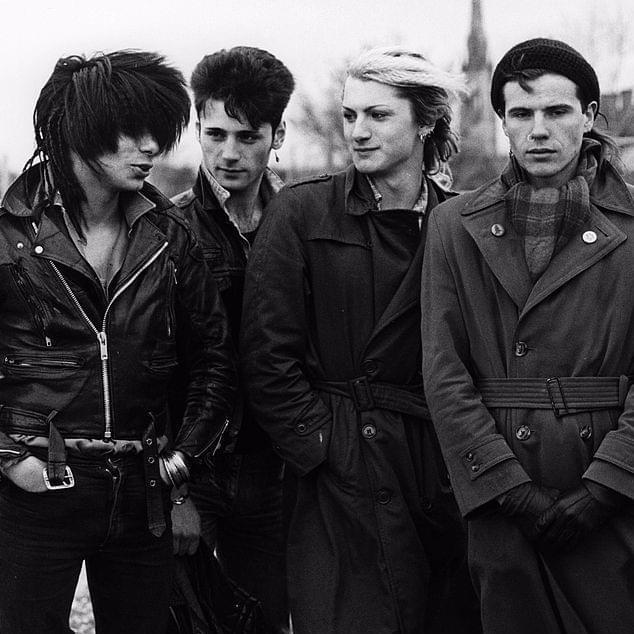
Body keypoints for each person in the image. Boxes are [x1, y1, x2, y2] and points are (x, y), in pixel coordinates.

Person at [241, 46, 479, 633]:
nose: (358, 132)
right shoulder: (302, 212)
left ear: (425, 122)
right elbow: (266, 355)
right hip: (339, 472)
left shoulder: (462, 222)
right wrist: (322, 447)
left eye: (378, 115)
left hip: (437, 464)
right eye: (350, 115)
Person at [0, 51, 236, 633]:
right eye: (132, 132)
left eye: (158, 131)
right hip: (36, 491)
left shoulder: (169, 234)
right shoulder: (9, 238)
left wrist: (178, 468)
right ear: (81, 131)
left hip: (142, 494)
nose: (151, 147)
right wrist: (11, 460)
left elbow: (212, 361)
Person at [422, 38, 634, 633]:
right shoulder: (453, 225)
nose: (538, 130)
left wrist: (606, 487)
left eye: (557, 111)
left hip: (610, 497)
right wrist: (507, 489)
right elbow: (444, 372)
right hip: (503, 496)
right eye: (521, 113)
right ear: (503, 122)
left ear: (588, 116)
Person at [170, 46, 294, 633]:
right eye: (215, 134)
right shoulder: (169, 230)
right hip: (195, 468)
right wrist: (174, 491)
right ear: (197, 128)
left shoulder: (301, 223)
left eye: (248, 137)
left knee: (266, 620)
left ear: (277, 135)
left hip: (275, 469)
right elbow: (153, 370)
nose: (228, 153)